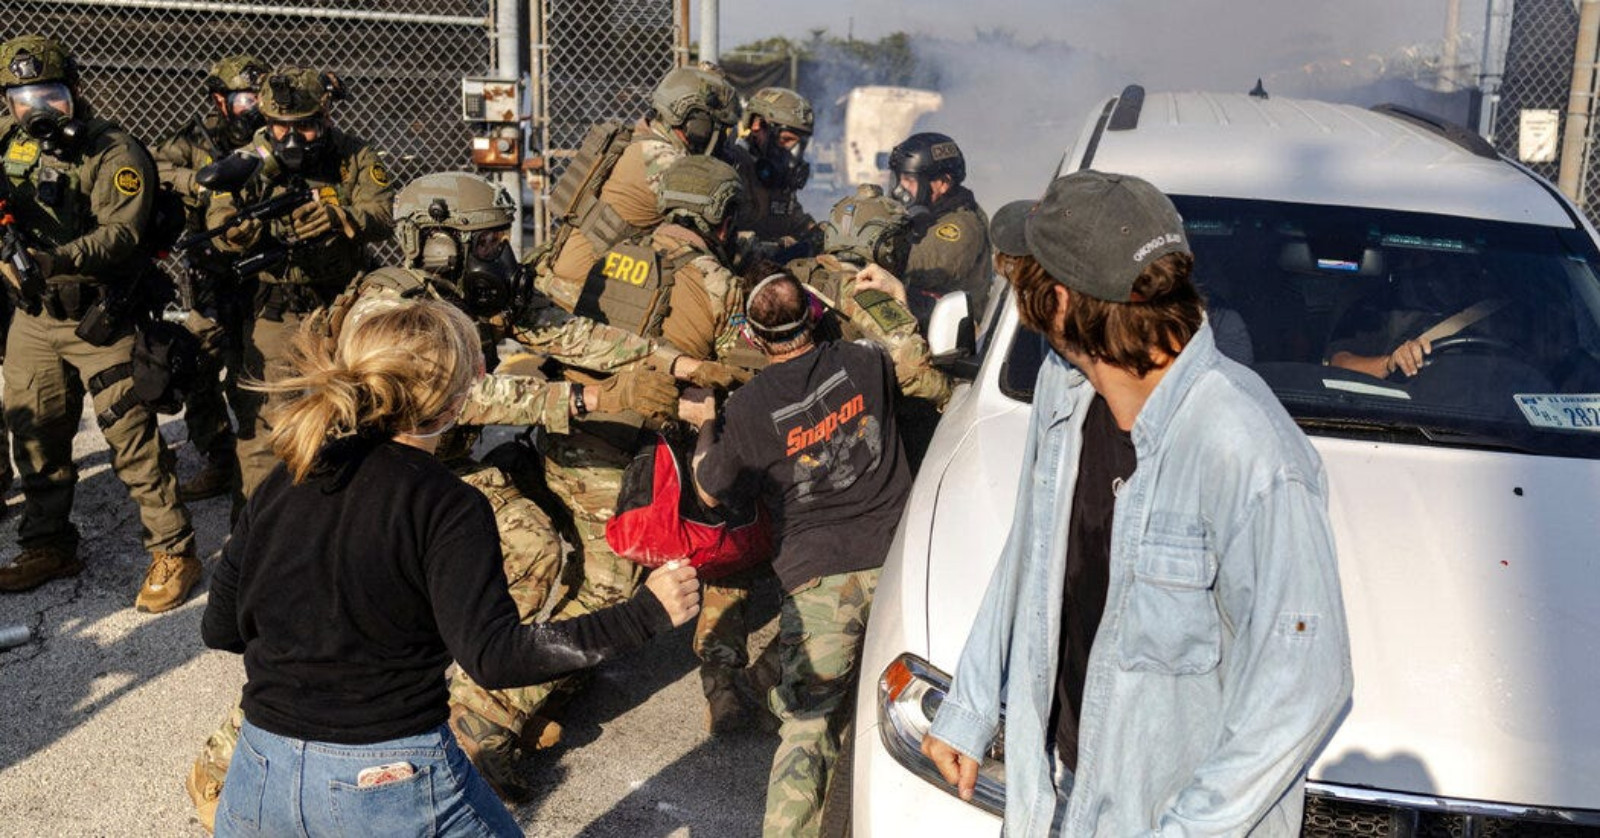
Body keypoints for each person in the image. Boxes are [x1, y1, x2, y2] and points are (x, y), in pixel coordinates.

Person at [183, 170, 716, 827]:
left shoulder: (474, 286)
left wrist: (675, 365)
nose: (499, 253)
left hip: (434, 465)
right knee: (342, 618)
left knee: (526, 547)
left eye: (500, 239)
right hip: (366, 464)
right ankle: (224, 759)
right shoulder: (389, 306)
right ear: (435, 241)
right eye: (485, 242)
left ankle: (469, 714)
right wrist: (591, 398)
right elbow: (457, 394)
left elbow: (563, 332)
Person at [918, 171, 1352, 836]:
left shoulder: (1250, 453)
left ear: (1060, 303)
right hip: (1052, 794)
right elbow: (1031, 549)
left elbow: (1303, 690)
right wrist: (969, 708)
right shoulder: (1065, 389)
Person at [680, 271, 910, 837]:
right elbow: (909, 349)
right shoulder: (865, 361)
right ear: (814, 315)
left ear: (753, 338)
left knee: (809, 726)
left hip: (819, 582)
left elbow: (709, 487)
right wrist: (894, 298)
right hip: (901, 560)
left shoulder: (748, 408)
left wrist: (705, 423)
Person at [0, 34, 199, 611]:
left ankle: (174, 549)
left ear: (75, 91)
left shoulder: (113, 151)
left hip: (99, 314)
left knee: (129, 436)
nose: (38, 109)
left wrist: (56, 260)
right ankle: (47, 544)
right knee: (35, 431)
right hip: (33, 313)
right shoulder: (9, 141)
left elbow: (122, 234)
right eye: (25, 98)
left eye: (52, 95)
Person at [206, 64, 395, 510]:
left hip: (342, 307)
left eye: (305, 127)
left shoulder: (353, 156)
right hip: (278, 311)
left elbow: (384, 215)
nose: (291, 138)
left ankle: (357, 519)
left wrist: (341, 217)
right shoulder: (250, 158)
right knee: (266, 428)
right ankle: (257, 529)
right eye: (279, 127)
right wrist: (236, 231)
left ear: (325, 117)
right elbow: (218, 213)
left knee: (360, 413)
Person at [151, 54, 271, 502]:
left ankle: (258, 465)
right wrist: (200, 183)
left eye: (258, 97)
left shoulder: (273, 136)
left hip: (263, 273)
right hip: (212, 276)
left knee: (250, 374)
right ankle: (220, 459)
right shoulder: (194, 140)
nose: (253, 106)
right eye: (244, 98)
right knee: (196, 365)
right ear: (221, 101)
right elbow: (152, 167)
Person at [538, 65, 740, 309]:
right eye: (719, 127)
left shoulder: (644, 138)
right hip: (584, 292)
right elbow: (711, 235)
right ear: (696, 123)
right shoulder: (665, 162)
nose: (724, 139)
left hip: (582, 277)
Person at [887, 132, 993, 326]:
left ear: (943, 183)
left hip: (952, 334)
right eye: (899, 179)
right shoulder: (926, 217)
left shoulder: (962, 226)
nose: (900, 188)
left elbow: (918, 266)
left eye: (909, 180)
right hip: (924, 320)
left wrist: (873, 250)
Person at [730, 86, 817, 247]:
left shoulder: (777, 181)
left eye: (801, 145)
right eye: (786, 140)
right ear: (757, 126)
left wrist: (824, 234)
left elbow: (799, 223)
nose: (794, 153)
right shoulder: (732, 170)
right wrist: (777, 246)